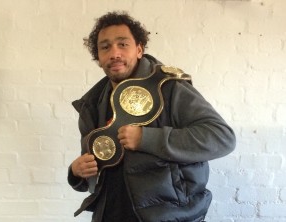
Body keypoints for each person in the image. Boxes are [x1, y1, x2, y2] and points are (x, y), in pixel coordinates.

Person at [68, 11, 236, 222]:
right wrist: (77, 172)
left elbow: (222, 137)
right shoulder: (91, 104)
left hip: (167, 216)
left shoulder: (168, 87)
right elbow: (94, 170)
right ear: (98, 58)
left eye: (123, 44)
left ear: (139, 49)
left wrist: (146, 139)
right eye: (105, 47)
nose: (114, 53)